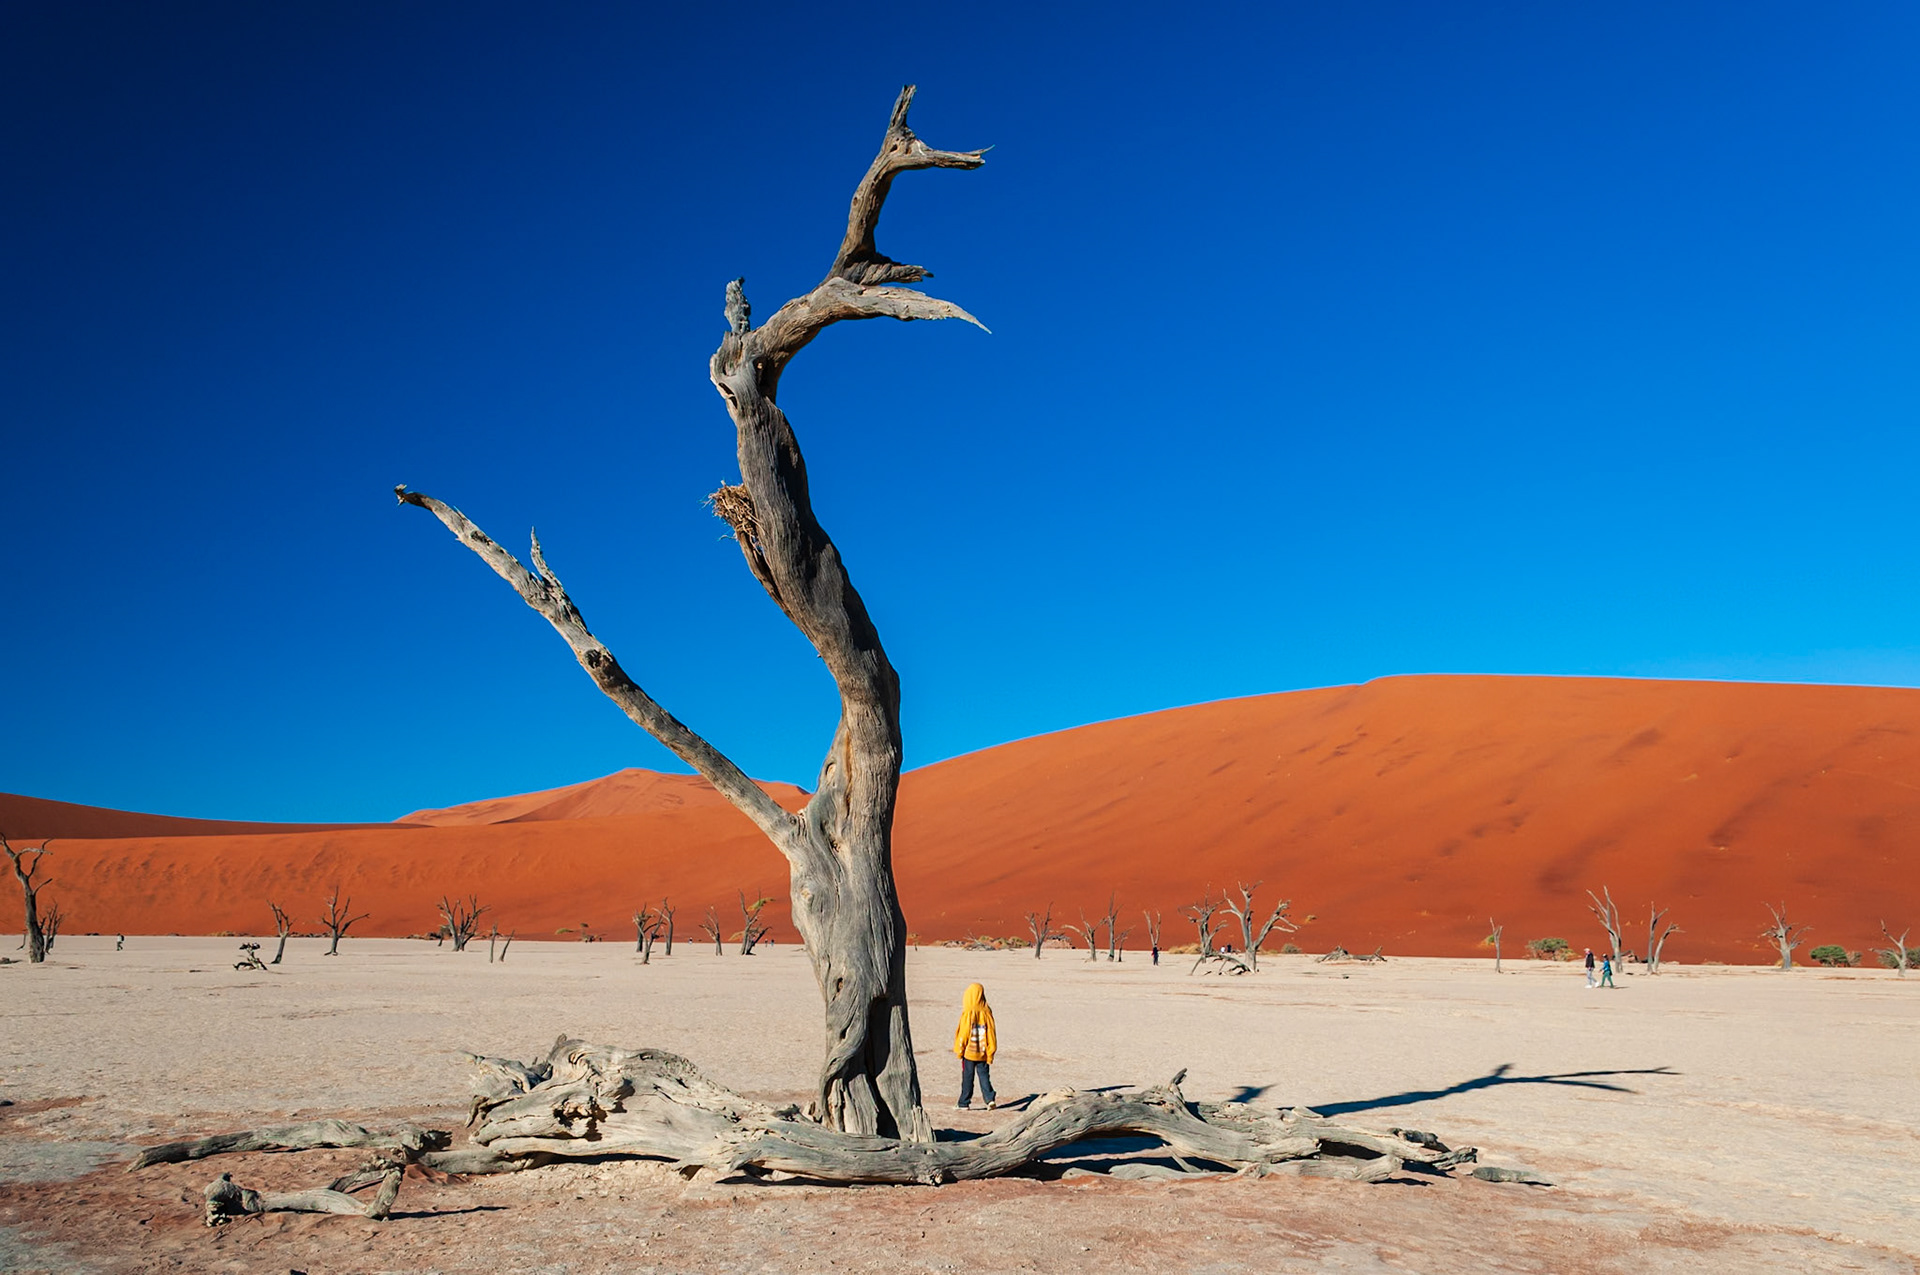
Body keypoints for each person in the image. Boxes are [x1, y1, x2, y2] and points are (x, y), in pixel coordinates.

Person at [953, 982, 998, 1110]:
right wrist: (991, 1052)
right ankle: (989, 1099)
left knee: (967, 1077)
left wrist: (960, 1049)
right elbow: (991, 1033)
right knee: (984, 1076)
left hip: (969, 1053)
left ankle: (964, 1102)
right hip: (983, 1053)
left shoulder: (968, 1012)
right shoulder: (987, 1011)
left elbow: (964, 1033)